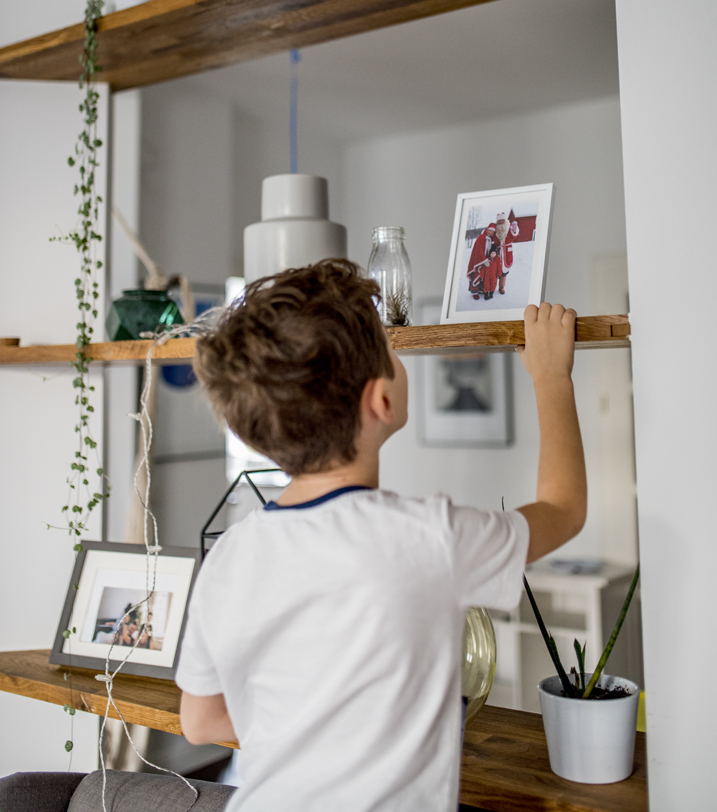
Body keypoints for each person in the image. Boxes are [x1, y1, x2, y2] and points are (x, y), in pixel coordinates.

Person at [177, 260, 586, 812]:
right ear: (382, 401)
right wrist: (552, 377)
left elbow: (200, 721)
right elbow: (564, 510)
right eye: (389, 349)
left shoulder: (230, 555)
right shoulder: (428, 537)